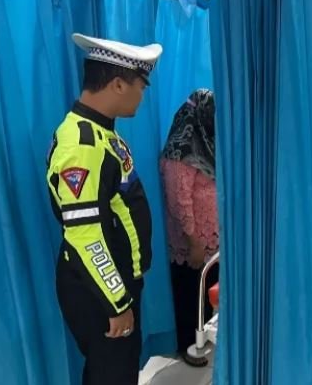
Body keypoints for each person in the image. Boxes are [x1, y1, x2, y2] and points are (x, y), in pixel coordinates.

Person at [46, 33, 162, 385]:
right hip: (97, 288)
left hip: (114, 280)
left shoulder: (101, 133)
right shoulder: (81, 146)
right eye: (141, 86)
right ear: (118, 85)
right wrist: (117, 302)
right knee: (111, 375)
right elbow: (86, 236)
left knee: (114, 371)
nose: (142, 95)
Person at [160, 89, 219, 366]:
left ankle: (204, 339)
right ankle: (189, 345)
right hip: (192, 241)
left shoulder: (207, 143)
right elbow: (178, 199)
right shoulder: (180, 151)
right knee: (190, 294)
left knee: (206, 293)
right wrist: (194, 242)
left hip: (213, 239)